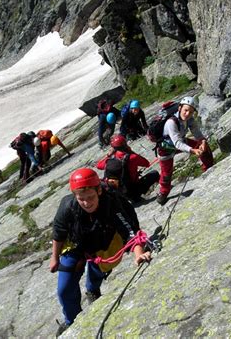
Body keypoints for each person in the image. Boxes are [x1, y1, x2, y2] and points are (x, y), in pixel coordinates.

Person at [49, 168, 152, 336]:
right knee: (64, 288)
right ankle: (72, 321)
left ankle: (92, 289)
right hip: (77, 243)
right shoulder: (67, 205)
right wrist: (54, 257)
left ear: (99, 191)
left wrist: (138, 253)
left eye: (90, 197)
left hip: (104, 239)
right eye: (81, 199)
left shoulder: (111, 203)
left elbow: (129, 231)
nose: (87, 203)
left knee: (100, 268)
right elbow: (59, 232)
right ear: (75, 195)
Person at [156, 96, 214, 205]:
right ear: (180, 108)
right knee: (166, 174)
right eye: (185, 110)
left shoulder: (190, 120)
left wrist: (202, 141)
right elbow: (177, 143)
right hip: (166, 149)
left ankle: (209, 168)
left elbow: (197, 133)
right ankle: (163, 193)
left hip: (181, 142)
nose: (187, 114)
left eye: (191, 112)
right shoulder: (171, 122)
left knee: (204, 148)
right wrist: (193, 150)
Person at [97, 134, 159, 202]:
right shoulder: (132, 157)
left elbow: (98, 165)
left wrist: (109, 154)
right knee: (155, 173)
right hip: (132, 190)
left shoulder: (111, 159)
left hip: (118, 192)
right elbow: (146, 163)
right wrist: (131, 152)